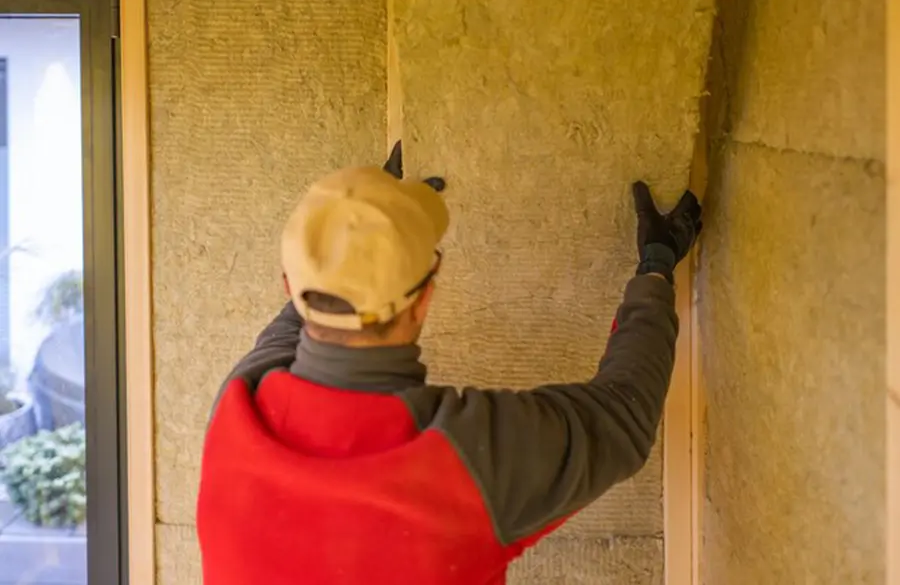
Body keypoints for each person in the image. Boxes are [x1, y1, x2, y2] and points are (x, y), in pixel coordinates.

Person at [196, 141, 702, 585]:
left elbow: (296, 324)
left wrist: (360, 226)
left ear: (289, 285)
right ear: (425, 300)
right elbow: (624, 417)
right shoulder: (468, 459)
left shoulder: (237, 409)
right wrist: (656, 263)